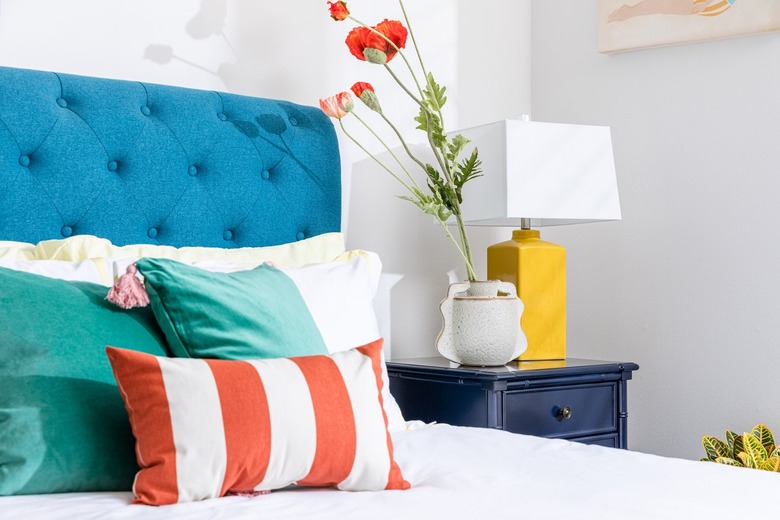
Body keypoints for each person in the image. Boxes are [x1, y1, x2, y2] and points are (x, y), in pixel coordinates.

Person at [608, 0, 736, 23]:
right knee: (661, 5)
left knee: (662, 5)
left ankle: (629, 12)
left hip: (713, 4)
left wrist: (706, 3)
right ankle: (629, 12)